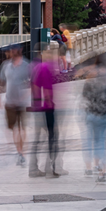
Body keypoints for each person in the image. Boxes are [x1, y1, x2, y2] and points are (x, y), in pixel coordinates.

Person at [28, 45, 59, 178]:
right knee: (53, 137)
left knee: (38, 138)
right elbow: (46, 89)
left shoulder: (37, 67)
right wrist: (49, 102)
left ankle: (33, 168)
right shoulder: (45, 68)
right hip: (46, 107)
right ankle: (49, 169)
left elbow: (33, 86)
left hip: (37, 107)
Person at [81, 56, 106, 182]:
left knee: (91, 141)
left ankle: (90, 166)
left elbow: (84, 97)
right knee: (102, 141)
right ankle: (102, 169)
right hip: (103, 114)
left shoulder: (88, 82)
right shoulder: (105, 81)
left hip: (90, 114)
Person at [0, 45, 30, 166]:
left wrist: (25, 95)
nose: (10, 53)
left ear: (19, 51)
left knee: (22, 128)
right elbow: (2, 82)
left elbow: (32, 83)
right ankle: (19, 151)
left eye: (12, 50)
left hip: (22, 103)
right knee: (13, 128)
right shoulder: (6, 66)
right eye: (9, 51)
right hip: (10, 102)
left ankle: (21, 153)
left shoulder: (26, 66)